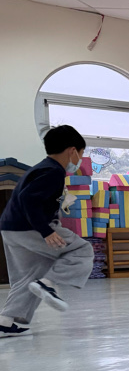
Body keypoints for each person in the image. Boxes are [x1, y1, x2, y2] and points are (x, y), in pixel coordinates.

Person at [0, 125, 94, 338]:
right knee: (82, 250)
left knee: (28, 276)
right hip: (30, 228)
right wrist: (46, 231)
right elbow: (28, 199)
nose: (79, 159)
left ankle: (6, 321)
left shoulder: (41, 168)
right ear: (72, 151)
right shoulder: (53, 172)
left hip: (11, 228)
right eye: (81, 154)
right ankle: (48, 284)